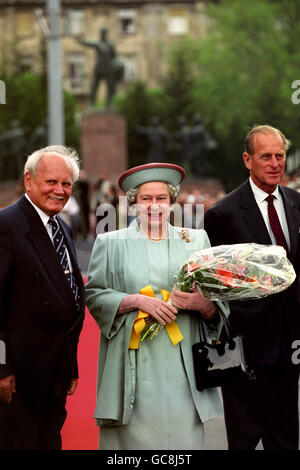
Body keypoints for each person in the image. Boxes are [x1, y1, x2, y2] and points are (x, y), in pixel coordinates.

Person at [85, 162, 229, 450]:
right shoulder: (110, 243)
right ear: (134, 203)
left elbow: (217, 304)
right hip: (132, 366)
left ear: (172, 201)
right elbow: (95, 295)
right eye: (146, 199)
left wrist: (205, 305)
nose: (154, 206)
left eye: (161, 198)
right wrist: (135, 301)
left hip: (184, 368)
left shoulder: (196, 240)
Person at [204, 125, 300, 450]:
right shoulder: (222, 214)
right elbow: (217, 286)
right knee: (244, 440)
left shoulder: (297, 203)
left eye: (280, 156)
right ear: (248, 159)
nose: (275, 163)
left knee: (285, 438)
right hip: (244, 349)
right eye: (266, 156)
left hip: (291, 347)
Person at [0, 145, 85, 450]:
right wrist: (2, 370)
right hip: (18, 377)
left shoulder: (62, 228)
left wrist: (71, 365)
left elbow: (70, 297)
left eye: (66, 184)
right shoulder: (6, 224)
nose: (59, 190)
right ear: (28, 181)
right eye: (51, 182)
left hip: (54, 373)